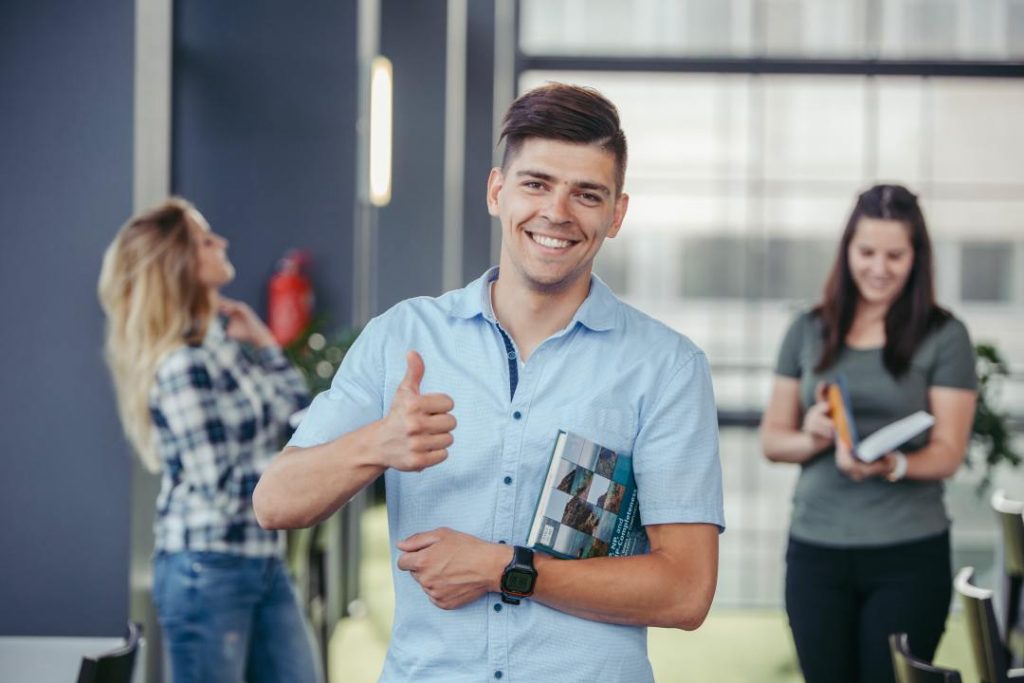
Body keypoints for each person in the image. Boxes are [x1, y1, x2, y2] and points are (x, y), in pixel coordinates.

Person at [253, 83, 724, 681]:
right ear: (497, 190)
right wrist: (377, 443)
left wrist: (505, 568)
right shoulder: (403, 336)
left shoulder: (666, 367)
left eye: (587, 194)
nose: (557, 212)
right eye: (536, 183)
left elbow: (685, 591)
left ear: (617, 214)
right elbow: (274, 502)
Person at [98, 198, 322, 683]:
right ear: (178, 264)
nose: (220, 242)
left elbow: (299, 417)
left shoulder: (224, 346)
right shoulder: (182, 365)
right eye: (204, 239)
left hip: (262, 561)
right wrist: (310, 477)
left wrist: (264, 341)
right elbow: (224, 485)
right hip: (208, 568)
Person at [760, 184, 978, 683]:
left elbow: (948, 452)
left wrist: (894, 464)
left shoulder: (945, 336)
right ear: (847, 252)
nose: (879, 267)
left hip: (908, 556)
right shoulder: (807, 330)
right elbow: (773, 440)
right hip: (815, 552)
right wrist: (815, 435)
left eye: (895, 255)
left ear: (916, 258)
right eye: (867, 252)